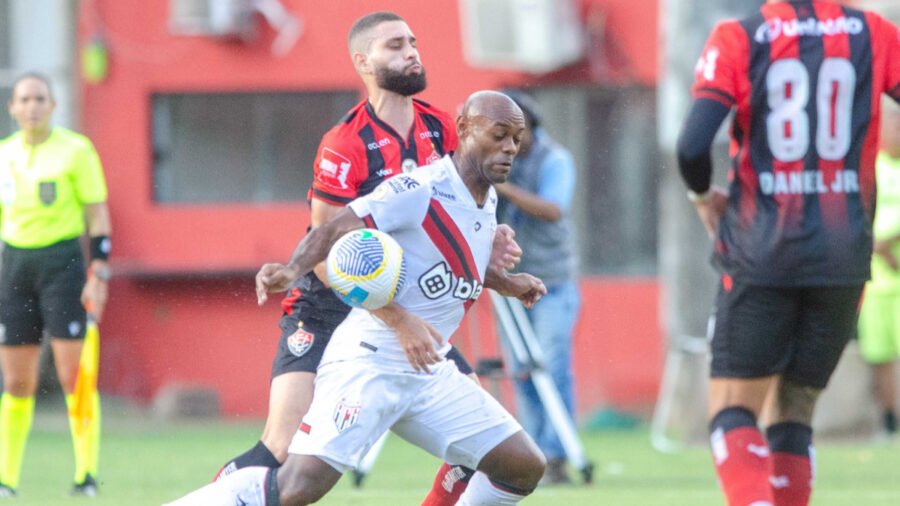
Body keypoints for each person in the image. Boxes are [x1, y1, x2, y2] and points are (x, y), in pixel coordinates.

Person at [167, 90, 547, 506]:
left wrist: (506, 283)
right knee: (298, 486)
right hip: (370, 361)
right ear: (464, 129)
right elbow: (335, 229)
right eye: (499, 134)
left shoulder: (486, 198)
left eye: (516, 138)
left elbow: (451, 266)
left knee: (521, 464)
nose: (510, 147)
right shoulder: (418, 188)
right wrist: (292, 269)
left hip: (429, 370)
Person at [676, 1, 900, 505]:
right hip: (844, 257)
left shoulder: (739, 37)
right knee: (795, 411)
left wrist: (702, 197)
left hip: (762, 250)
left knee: (733, 409)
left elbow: (691, 147)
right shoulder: (875, 34)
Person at [0, 73, 111, 497]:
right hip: (15, 267)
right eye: (24, 99)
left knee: (73, 376)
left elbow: (97, 216)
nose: (32, 106)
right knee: (16, 382)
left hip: (62, 265)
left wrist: (99, 272)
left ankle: (86, 475)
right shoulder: (5, 155)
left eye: (39, 98)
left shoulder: (76, 150)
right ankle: (6, 479)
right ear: (12, 107)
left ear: (53, 105)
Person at [494, 90, 580, 485]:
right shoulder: (494, 160)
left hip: (552, 282)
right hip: (510, 283)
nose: (511, 141)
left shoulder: (555, 159)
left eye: (517, 132)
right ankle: (533, 454)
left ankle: (557, 454)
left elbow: (553, 208)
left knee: (552, 366)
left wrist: (505, 188)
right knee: (523, 372)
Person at [858, 99, 900, 438]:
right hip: (874, 282)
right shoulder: (871, 168)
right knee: (879, 355)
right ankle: (888, 423)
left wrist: (888, 242)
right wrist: (876, 246)